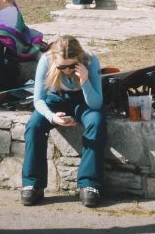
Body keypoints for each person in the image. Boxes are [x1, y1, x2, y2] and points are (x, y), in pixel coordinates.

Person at [21, 35, 105, 208]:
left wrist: (84, 80)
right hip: (56, 98)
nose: (67, 71)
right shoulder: (46, 60)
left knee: (96, 122)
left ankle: (89, 184)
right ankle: (33, 184)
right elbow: (38, 100)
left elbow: (96, 104)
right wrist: (52, 117)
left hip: (84, 100)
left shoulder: (91, 60)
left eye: (72, 66)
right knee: (34, 125)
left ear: (79, 58)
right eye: (62, 67)